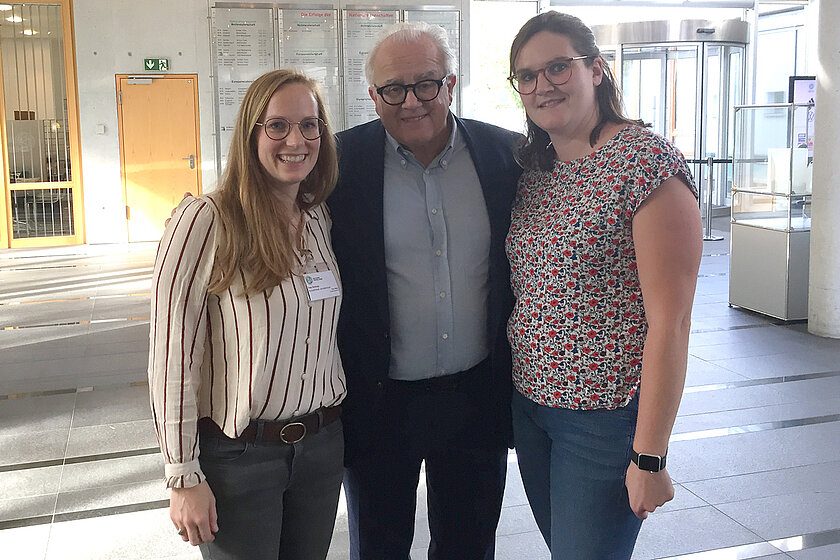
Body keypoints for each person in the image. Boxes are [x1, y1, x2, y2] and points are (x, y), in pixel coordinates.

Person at [505, 12, 702, 560]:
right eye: (527, 76)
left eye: (558, 67)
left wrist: (650, 456)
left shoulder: (645, 163)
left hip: (603, 419)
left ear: (597, 70)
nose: (543, 85)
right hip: (532, 409)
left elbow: (673, 321)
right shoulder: (537, 170)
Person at [328, 22, 522, 560]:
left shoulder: (505, 155)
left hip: (476, 397)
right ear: (373, 96)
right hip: (379, 401)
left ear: (451, 84)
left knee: (468, 545)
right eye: (394, 88)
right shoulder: (340, 166)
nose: (411, 100)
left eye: (426, 84)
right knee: (379, 547)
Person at [148, 69, 345, 560]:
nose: (296, 140)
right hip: (241, 456)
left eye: (309, 124)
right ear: (250, 134)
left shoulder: (317, 215)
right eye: (276, 126)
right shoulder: (206, 219)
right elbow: (172, 356)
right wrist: (182, 475)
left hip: (321, 448)